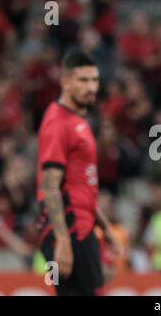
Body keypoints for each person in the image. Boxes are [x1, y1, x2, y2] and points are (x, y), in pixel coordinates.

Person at [37, 50, 123, 296]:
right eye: (83, 80)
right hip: (69, 230)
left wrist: (105, 228)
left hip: (83, 228)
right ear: (65, 81)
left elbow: (79, 187)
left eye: (94, 80)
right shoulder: (58, 122)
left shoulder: (81, 122)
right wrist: (63, 240)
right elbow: (50, 185)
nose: (91, 87)